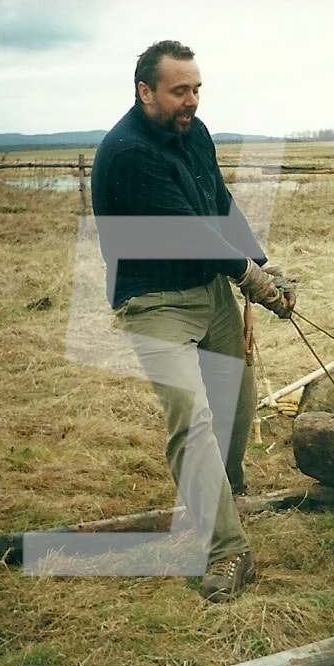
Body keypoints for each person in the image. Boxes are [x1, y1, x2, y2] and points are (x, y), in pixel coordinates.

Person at [90, 40, 296, 602]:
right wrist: (250, 278)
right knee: (192, 418)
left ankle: (225, 494)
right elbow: (187, 230)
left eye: (196, 89)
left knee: (237, 403)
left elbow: (218, 204)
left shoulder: (195, 134)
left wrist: (260, 263)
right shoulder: (128, 153)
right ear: (145, 91)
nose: (192, 100)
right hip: (153, 302)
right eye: (179, 90)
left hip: (209, 291)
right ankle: (226, 549)